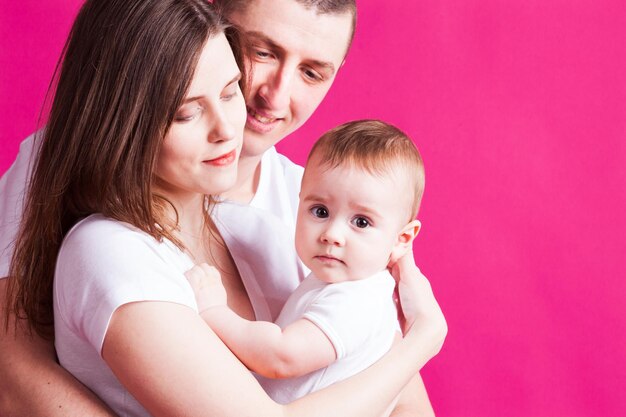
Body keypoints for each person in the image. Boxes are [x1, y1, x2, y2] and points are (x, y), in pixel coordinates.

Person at [4, 1, 446, 417]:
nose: (269, 100)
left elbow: (390, 380)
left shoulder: (278, 217)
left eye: (230, 90)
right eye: (262, 52)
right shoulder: (107, 243)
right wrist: (422, 341)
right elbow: (13, 369)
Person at [188, 120, 425, 408]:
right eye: (320, 211)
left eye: (361, 222)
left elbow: (281, 356)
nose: (332, 234)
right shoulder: (340, 283)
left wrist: (214, 312)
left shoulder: (357, 300)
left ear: (402, 239)